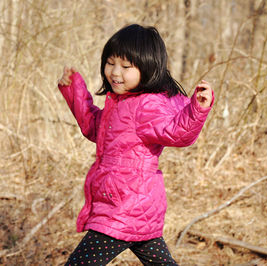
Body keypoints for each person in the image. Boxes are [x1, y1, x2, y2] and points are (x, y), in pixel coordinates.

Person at [58, 24, 214, 266]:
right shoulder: (119, 103)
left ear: (148, 67)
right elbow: (93, 128)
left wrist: (197, 109)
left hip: (123, 207)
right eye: (110, 63)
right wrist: (74, 89)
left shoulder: (147, 106)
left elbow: (177, 134)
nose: (115, 73)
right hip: (134, 208)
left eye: (126, 66)